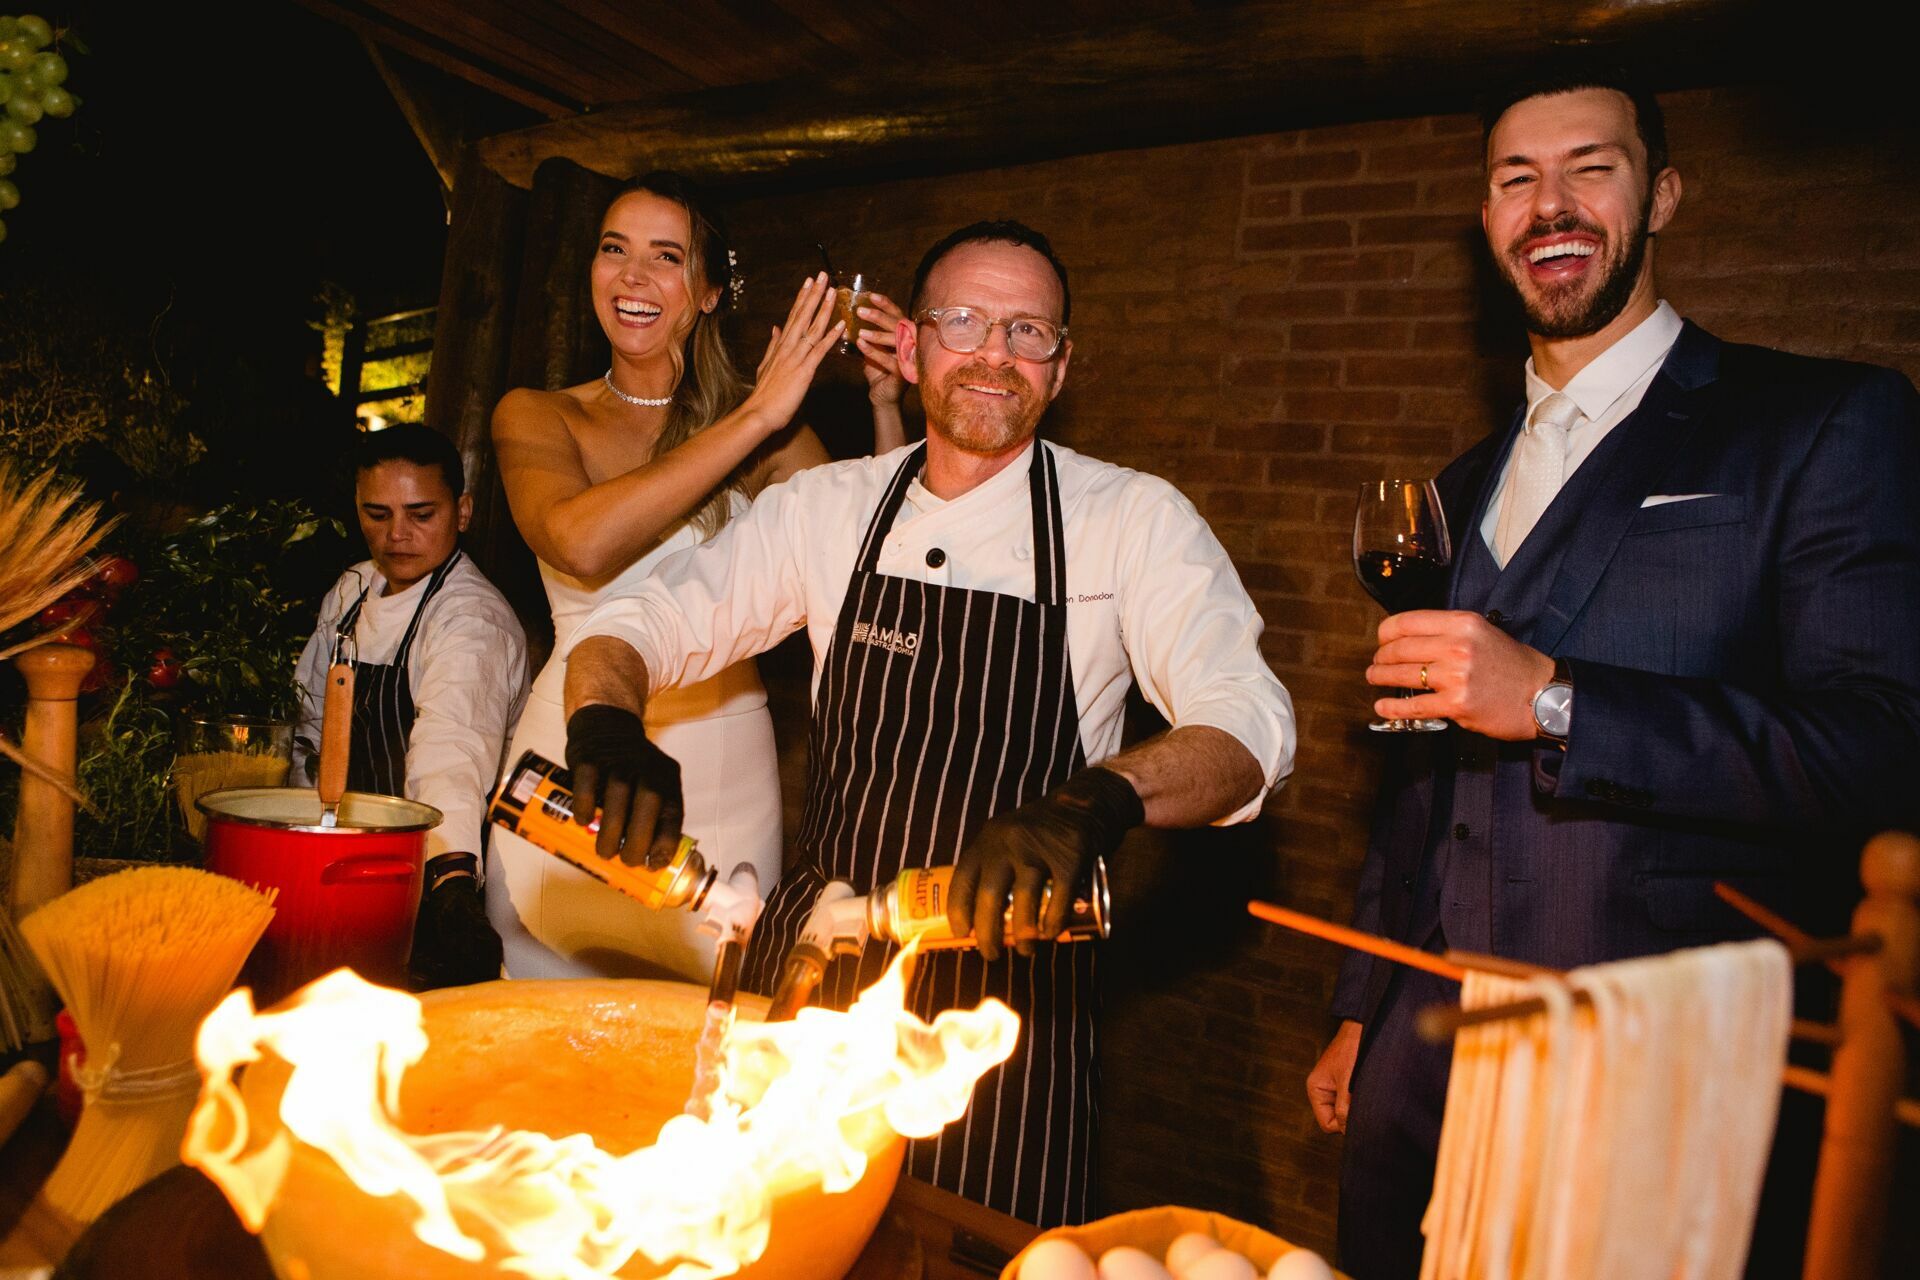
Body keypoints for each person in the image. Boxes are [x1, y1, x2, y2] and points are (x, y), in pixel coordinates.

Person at [556, 219, 1296, 1227]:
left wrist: (1097, 798)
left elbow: (1248, 729)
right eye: (964, 321)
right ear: (910, 348)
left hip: (1009, 1012)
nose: (995, 352)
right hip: (813, 976)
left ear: (1062, 364)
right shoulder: (828, 505)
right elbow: (631, 624)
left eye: (1028, 331)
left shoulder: (1131, 519)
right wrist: (604, 721)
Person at [1308, 71, 1920, 1280]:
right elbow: (1423, 781)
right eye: (1514, 178)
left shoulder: (1820, 421)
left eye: (1590, 165)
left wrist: (1555, 699)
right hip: (1427, 1053)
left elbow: (1882, 744)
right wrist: (1358, 1005)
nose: (1551, 204)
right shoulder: (1460, 482)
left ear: (1664, 193)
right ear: (1486, 220)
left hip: (1656, 1060)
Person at [485, 171, 909, 983]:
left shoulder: (770, 428)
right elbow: (581, 544)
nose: (633, 277)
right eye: (615, 249)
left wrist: (886, 405)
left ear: (710, 291)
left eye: (666, 257)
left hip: (726, 760)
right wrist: (751, 418)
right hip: (583, 739)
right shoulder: (538, 414)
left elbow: (873, 563)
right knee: (540, 1002)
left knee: (701, 1021)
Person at [294, 423, 531, 982]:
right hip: (349, 858)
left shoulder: (470, 620)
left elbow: (451, 750)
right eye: (377, 514)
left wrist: (449, 881)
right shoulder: (352, 589)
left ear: (463, 511)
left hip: (441, 866)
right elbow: (309, 720)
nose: (396, 535)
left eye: (421, 514)